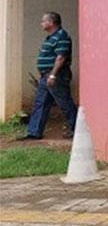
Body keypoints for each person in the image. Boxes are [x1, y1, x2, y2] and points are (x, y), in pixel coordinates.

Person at [19, 12, 78, 140]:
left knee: (65, 103)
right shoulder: (51, 37)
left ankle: (77, 131)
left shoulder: (62, 36)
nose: (41, 23)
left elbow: (61, 57)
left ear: (51, 23)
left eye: (43, 21)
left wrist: (53, 75)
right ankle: (34, 132)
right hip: (46, 75)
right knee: (40, 103)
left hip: (56, 76)